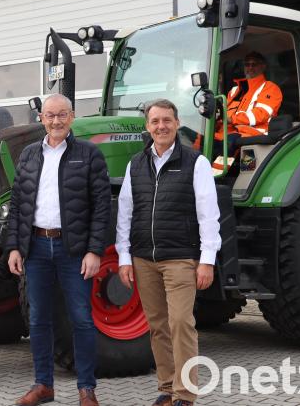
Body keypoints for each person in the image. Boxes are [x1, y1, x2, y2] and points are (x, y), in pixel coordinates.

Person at [6, 94, 110, 406]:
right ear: (42, 119)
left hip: (74, 250)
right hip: (36, 248)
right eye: (50, 115)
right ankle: (43, 386)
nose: (56, 121)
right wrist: (13, 247)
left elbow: (102, 207)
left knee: (81, 318)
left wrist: (95, 251)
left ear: (72, 116)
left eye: (62, 115)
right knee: (38, 319)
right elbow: (18, 205)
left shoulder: (89, 154)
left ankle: (86, 388)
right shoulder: (28, 155)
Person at [117, 99, 221, 406]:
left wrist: (207, 260)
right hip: (144, 258)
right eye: (155, 121)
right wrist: (124, 258)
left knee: (180, 323)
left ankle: (185, 394)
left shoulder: (195, 162)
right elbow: (125, 214)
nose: (161, 126)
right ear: (148, 127)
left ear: (176, 123)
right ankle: (167, 388)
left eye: (167, 120)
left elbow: (209, 215)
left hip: (180, 257)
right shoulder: (135, 164)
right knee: (158, 325)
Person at [214, 51, 283, 158]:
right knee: (188, 135)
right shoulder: (234, 90)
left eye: (254, 64)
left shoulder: (270, 88)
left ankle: (215, 174)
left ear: (263, 67)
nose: (250, 67)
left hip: (252, 134)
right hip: (228, 133)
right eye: (247, 64)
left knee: (227, 142)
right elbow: (223, 112)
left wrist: (231, 119)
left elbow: (260, 114)